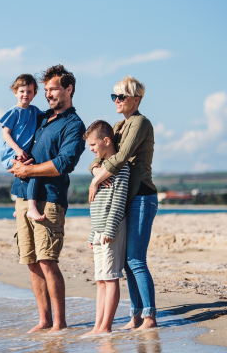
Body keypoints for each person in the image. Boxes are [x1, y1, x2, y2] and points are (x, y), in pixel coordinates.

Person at [9, 65, 86, 333]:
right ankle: (44, 320)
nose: (48, 94)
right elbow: (15, 133)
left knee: (47, 260)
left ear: (69, 89)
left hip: (50, 199)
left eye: (53, 89)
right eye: (46, 90)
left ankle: (60, 323)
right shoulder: (41, 118)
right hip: (23, 197)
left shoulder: (74, 125)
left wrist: (29, 170)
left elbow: (64, 163)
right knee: (30, 260)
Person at [88, 76, 158, 330]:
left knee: (136, 259)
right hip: (126, 198)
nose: (116, 100)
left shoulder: (140, 123)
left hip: (142, 197)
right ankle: (135, 315)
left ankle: (149, 316)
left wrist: (96, 181)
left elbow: (121, 158)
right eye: (114, 96)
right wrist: (95, 170)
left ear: (136, 100)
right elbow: (99, 158)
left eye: (122, 97)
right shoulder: (117, 126)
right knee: (127, 262)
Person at [81, 120, 130, 336]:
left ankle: (106, 327)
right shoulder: (100, 170)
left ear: (106, 140)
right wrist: (94, 232)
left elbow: (118, 202)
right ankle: (97, 326)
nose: (91, 149)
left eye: (93, 144)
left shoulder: (121, 168)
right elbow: (98, 206)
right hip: (99, 231)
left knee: (110, 279)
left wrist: (109, 230)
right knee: (100, 280)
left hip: (112, 231)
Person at [0, 74, 46, 221]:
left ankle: (19, 209)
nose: (25, 94)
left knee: (25, 175)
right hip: (12, 151)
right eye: (22, 91)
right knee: (32, 172)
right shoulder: (13, 112)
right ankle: (31, 208)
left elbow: (46, 117)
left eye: (29, 91)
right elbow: (6, 133)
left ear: (35, 94)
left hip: (23, 151)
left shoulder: (34, 110)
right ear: (15, 92)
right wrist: (17, 150)